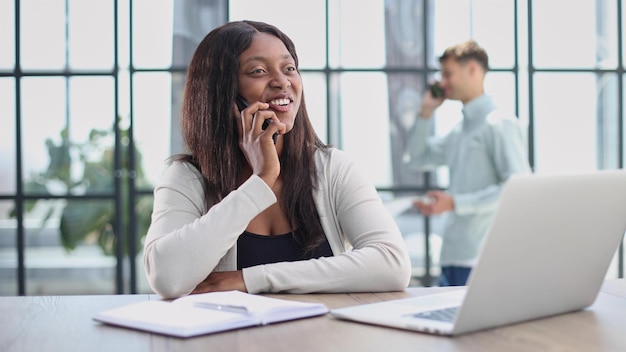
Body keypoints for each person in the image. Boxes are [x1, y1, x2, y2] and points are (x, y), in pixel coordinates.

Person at [143, 20, 412, 299]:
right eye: (258, 71)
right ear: (224, 93)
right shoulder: (187, 177)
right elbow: (167, 278)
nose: (282, 82)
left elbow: (392, 264)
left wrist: (251, 279)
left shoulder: (332, 169)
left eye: (289, 68)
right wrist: (260, 181)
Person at [403, 40, 531, 286]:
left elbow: (517, 189)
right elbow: (417, 159)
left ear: (473, 70)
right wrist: (426, 112)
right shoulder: (459, 131)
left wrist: (454, 203)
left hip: (481, 259)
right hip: (453, 257)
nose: (442, 83)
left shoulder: (499, 124)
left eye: (448, 74)